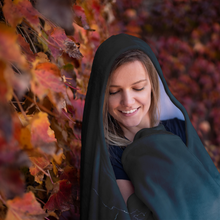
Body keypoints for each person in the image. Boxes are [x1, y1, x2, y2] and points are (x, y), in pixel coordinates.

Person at [80, 33, 220, 220]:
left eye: (138, 88)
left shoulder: (178, 128)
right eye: (114, 92)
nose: (128, 101)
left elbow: (210, 192)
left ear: (153, 86)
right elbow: (135, 214)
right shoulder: (109, 152)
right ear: (101, 96)